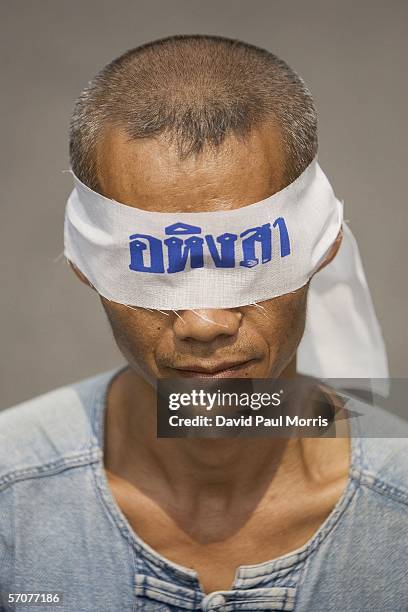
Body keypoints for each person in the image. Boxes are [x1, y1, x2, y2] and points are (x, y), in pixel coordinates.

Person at [0, 35, 407, 612]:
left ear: (324, 243)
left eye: (250, 257)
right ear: (85, 264)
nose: (204, 321)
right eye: (153, 265)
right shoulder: (9, 506)